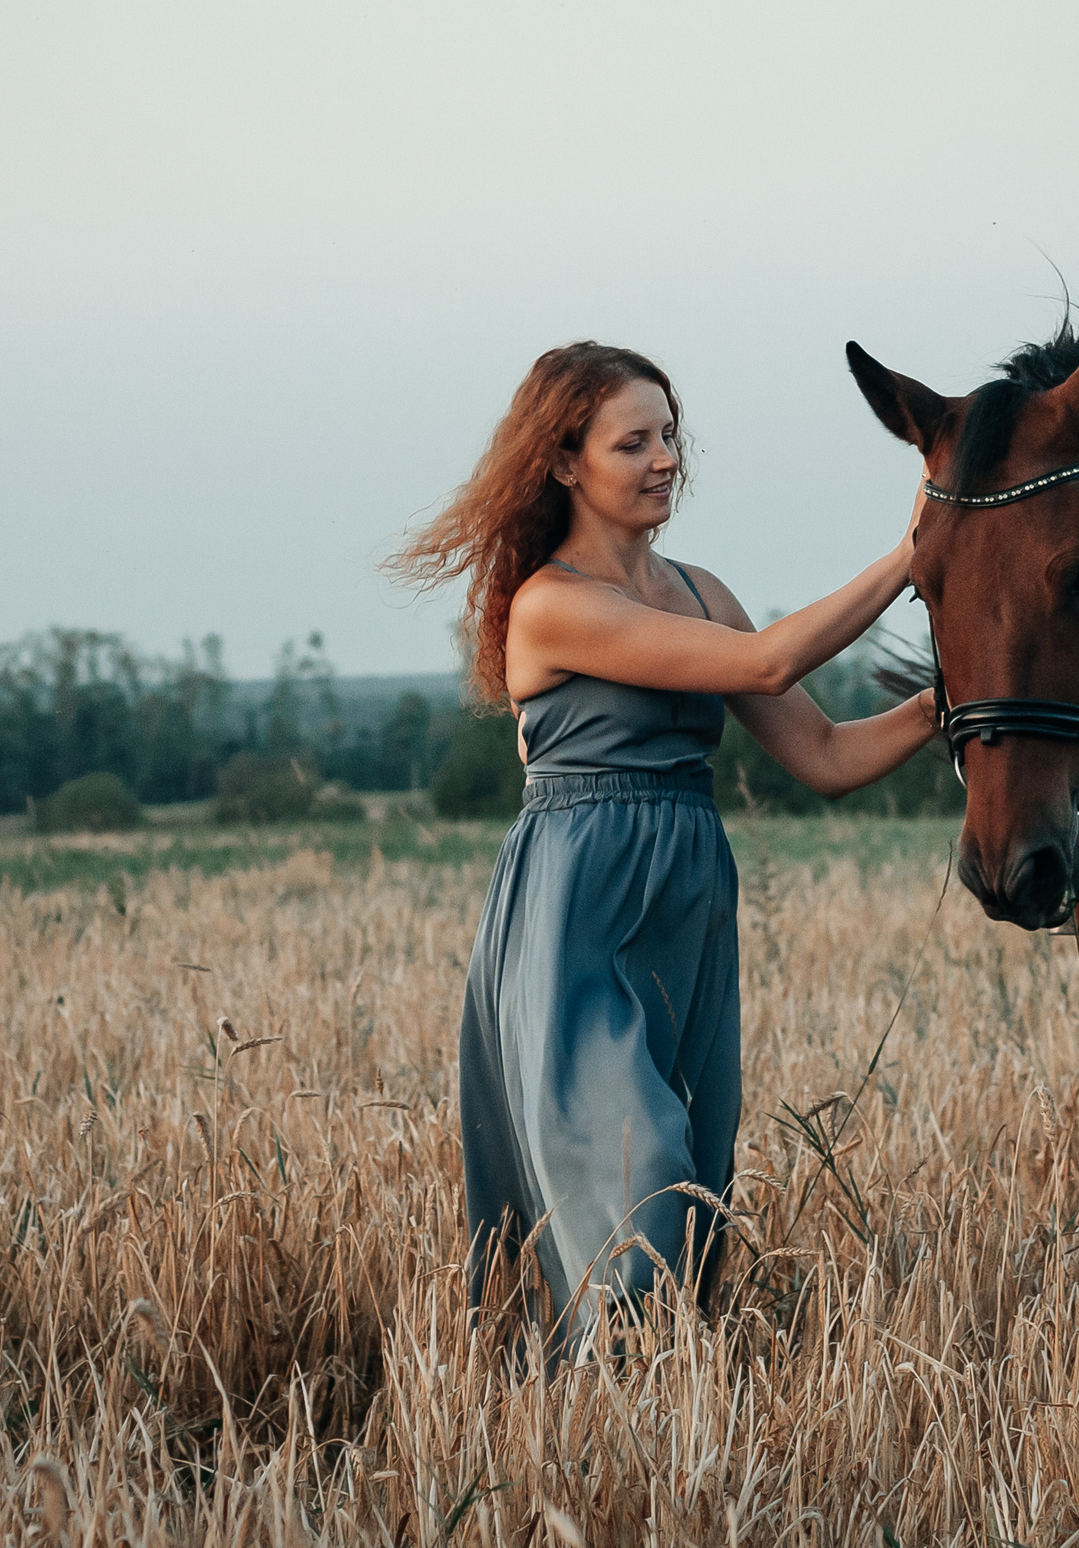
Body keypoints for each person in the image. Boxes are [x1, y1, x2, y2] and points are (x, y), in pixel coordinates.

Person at [390, 341, 936, 1348]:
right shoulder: (552, 604)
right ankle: (596, 1408)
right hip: (577, 906)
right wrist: (917, 550)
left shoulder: (700, 591)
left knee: (690, 1180)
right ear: (562, 462)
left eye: (669, 435)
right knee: (633, 1181)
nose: (663, 458)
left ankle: (649, 1432)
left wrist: (959, 704)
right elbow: (770, 664)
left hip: (687, 898)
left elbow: (821, 753)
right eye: (631, 441)